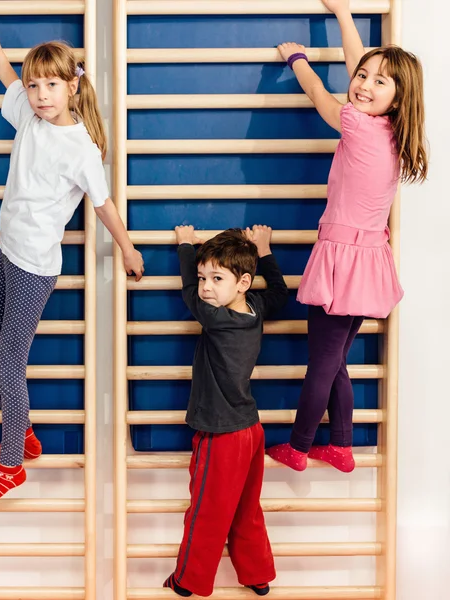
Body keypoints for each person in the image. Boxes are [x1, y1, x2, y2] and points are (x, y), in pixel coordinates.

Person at [0, 0, 144, 505]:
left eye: (51, 85)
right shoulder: (28, 117)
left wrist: (127, 249)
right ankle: (25, 436)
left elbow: (103, 204)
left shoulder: (79, 147)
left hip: (35, 268)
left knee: (10, 364)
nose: (39, 94)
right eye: (34, 85)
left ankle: (12, 464)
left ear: (72, 87)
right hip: (8, 254)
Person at [267, 0, 428, 472]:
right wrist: (343, 15)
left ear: (396, 98)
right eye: (363, 76)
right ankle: (339, 443)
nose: (362, 84)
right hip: (370, 258)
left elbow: (320, 94)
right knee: (335, 358)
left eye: (379, 81)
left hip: (342, 260)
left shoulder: (357, 125)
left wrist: (298, 60)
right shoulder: (395, 131)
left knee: (322, 360)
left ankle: (298, 445)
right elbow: (358, 65)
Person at [163, 225, 288, 597]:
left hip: (222, 435)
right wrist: (263, 249)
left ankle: (188, 581)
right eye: (203, 277)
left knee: (207, 512)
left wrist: (186, 246)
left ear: (243, 282)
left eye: (217, 278)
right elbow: (279, 293)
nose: (204, 287)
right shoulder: (255, 309)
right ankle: (257, 574)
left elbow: (187, 295)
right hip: (250, 431)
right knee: (246, 510)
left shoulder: (217, 320)